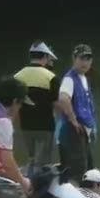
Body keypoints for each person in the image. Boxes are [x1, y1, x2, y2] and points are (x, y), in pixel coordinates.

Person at [14, 41, 60, 176]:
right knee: (43, 162)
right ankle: (38, 189)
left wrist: (15, 125)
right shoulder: (51, 77)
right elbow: (57, 104)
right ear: (45, 57)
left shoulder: (18, 76)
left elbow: (14, 105)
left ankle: (28, 182)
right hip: (45, 126)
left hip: (25, 126)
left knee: (31, 159)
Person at [58, 44, 98, 181]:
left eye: (88, 59)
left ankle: (86, 197)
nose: (85, 62)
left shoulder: (84, 78)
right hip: (72, 130)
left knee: (88, 167)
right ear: (74, 59)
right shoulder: (70, 78)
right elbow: (63, 99)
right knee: (78, 170)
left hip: (83, 130)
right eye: (82, 58)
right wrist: (73, 120)